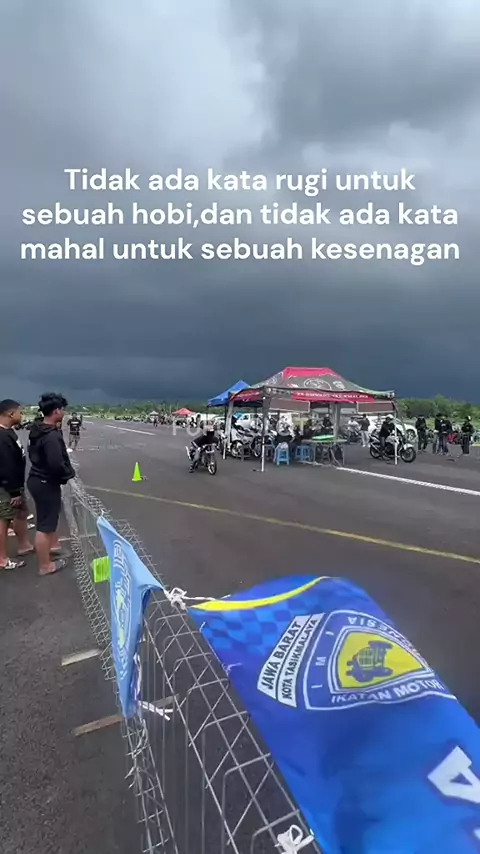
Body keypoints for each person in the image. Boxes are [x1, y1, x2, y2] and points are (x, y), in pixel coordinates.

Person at [27, 393, 75, 576]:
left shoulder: (38, 429)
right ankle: (45, 566)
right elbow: (56, 463)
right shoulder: (51, 436)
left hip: (37, 479)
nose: (63, 412)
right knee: (45, 527)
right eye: (62, 409)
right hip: (45, 482)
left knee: (46, 519)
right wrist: (68, 474)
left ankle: (52, 547)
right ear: (56, 411)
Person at [0, 399, 33, 570]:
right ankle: (2, 559)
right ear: (11, 414)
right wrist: (13, 492)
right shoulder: (2, 436)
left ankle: (24, 545)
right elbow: (5, 466)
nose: (22, 415)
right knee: (3, 520)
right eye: (20, 412)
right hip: (7, 488)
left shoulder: (8, 431)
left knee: (21, 513)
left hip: (15, 485)